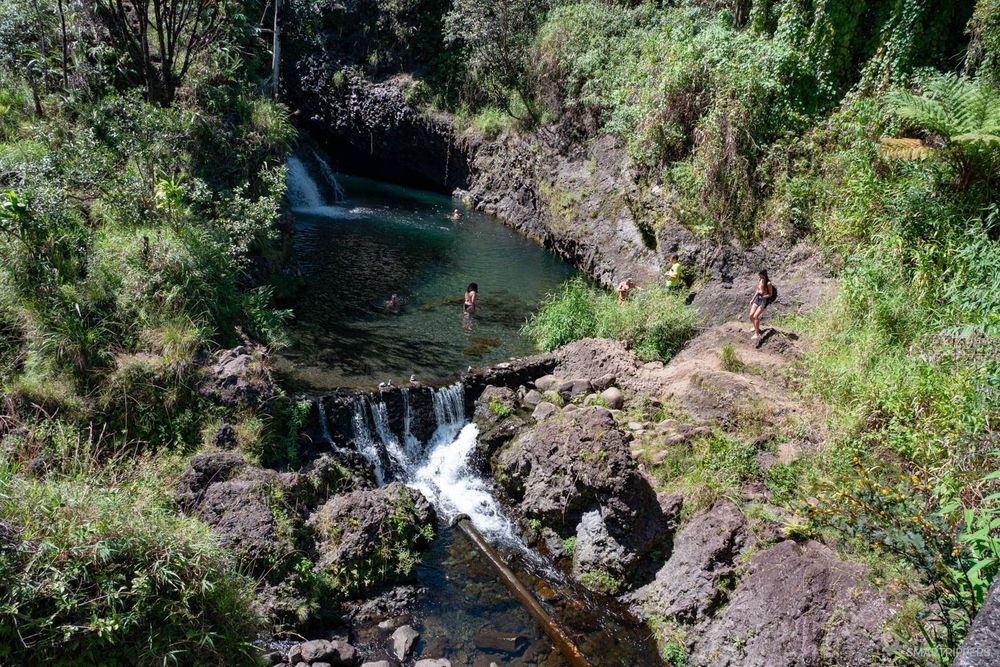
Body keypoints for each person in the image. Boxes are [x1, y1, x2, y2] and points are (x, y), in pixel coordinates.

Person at [748, 269, 774, 340]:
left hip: (763, 300)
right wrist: (752, 299)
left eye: (760, 274)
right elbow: (757, 290)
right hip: (758, 299)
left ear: (763, 274)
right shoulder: (760, 280)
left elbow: (770, 294)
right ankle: (756, 327)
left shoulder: (768, 283)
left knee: (755, 316)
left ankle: (757, 334)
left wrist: (764, 296)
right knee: (751, 316)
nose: (759, 276)